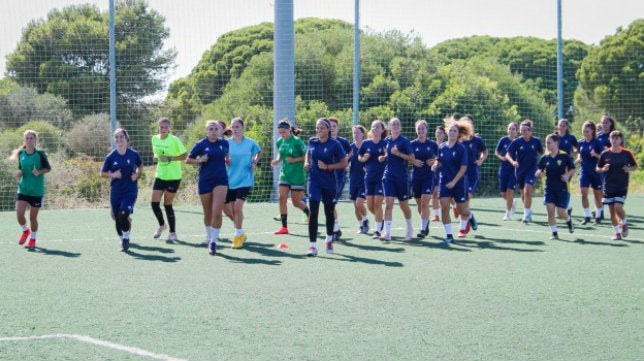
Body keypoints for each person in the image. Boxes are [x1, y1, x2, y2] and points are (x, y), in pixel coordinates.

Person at [303, 118, 347, 256]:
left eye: (322, 128)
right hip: (314, 181)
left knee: (329, 213)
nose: (319, 130)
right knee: (313, 213)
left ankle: (328, 240)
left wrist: (328, 167)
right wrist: (306, 163)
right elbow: (308, 153)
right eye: (317, 128)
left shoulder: (335, 144)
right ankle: (312, 246)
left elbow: (344, 163)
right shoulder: (312, 141)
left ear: (328, 130)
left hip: (329, 183)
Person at [186, 120, 230, 255]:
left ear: (219, 131)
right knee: (208, 212)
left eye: (216, 128)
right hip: (205, 181)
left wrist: (228, 160)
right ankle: (209, 235)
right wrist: (199, 160)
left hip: (221, 180)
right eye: (210, 129)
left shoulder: (224, 143)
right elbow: (188, 159)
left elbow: (227, 156)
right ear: (206, 131)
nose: (213, 131)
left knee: (217, 212)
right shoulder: (200, 144)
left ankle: (213, 242)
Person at [432, 117, 477, 243]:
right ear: (447, 132)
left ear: (458, 134)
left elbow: (463, 168)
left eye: (454, 131)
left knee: (462, 210)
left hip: (458, 183)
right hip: (444, 182)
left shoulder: (461, 148)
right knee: (444, 207)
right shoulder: (441, 147)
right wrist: (435, 164)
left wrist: (454, 182)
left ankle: (470, 216)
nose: (452, 133)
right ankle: (449, 236)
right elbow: (439, 160)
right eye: (450, 130)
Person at [100, 128, 143, 252]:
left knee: (123, 214)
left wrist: (137, 175)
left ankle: (126, 238)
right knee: (116, 217)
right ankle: (122, 238)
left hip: (130, 190)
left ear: (126, 139)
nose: (119, 140)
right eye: (116, 137)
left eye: (121, 137)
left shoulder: (134, 154)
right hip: (116, 191)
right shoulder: (111, 156)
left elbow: (140, 166)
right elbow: (102, 173)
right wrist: (113, 175)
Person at [224, 117, 262, 249]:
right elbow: (223, 156)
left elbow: (259, 152)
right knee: (232, 210)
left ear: (243, 128)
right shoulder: (226, 143)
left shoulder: (250, 143)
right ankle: (241, 232)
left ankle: (237, 236)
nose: (235, 129)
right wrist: (226, 160)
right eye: (233, 127)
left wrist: (254, 162)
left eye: (237, 127)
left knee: (237, 208)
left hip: (245, 179)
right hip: (230, 180)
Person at [11, 130, 51, 250]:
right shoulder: (21, 154)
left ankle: (33, 239)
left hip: (36, 191)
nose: (29, 140)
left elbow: (48, 168)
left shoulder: (40, 154)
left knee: (33, 218)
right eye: (27, 138)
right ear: (24, 140)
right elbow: (20, 168)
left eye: (31, 138)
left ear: (35, 140)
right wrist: (19, 173)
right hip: (23, 189)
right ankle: (25, 230)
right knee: (19, 213)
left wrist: (38, 172)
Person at [150, 118, 188, 242]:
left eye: (166, 127)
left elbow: (185, 155)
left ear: (169, 128)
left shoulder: (175, 140)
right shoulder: (154, 139)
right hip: (160, 175)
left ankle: (172, 233)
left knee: (167, 205)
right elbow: (156, 153)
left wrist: (170, 158)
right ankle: (162, 225)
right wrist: (155, 156)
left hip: (173, 177)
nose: (164, 129)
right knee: (154, 203)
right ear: (158, 127)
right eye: (161, 127)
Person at [596, 130, 638, 240]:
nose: (614, 140)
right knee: (612, 211)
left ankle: (624, 223)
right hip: (608, 186)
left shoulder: (627, 153)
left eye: (616, 138)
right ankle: (617, 233)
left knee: (618, 207)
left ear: (621, 140)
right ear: (610, 139)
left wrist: (629, 168)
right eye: (612, 138)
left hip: (621, 186)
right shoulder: (605, 154)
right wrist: (603, 169)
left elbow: (634, 166)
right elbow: (598, 168)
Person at [270, 119, 310, 235]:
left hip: (297, 175)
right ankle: (284, 227)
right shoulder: (279, 141)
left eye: (284, 132)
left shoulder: (297, 141)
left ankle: (308, 213)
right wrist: (277, 160)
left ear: (289, 130)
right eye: (280, 132)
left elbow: (307, 156)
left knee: (296, 202)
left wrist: (294, 159)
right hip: (285, 174)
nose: (282, 134)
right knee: (281, 197)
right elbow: (281, 153)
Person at [380, 117, 415, 242]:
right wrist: (384, 157)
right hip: (388, 176)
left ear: (400, 127)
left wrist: (398, 153)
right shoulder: (386, 141)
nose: (395, 126)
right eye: (393, 124)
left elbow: (412, 158)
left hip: (402, 178)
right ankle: (387, 233)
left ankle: (410, 229)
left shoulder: (404, 141)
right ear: (389, 127)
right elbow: (387, 154)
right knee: (388, 203)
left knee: (403, 205)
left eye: (397, 124)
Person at [535, 133, 576, 240]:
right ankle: (554, 233)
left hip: (562, 188)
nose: (547, 145)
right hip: (549, 188)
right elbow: (540, 169)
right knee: (550, 211)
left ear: (556, 143)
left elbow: (573, 168)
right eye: (546, 143)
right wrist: (538, 173)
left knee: (561, 213)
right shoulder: (544, 158)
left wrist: (567, 175)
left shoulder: (564, 156)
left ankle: (568, 220)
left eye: (549, 143)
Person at [505, 119, 544, 223]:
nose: (523, 132)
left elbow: (543, 153)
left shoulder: (536, 141)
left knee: (527, 192)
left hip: (532, 170)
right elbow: (507, 154)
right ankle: (528, 210)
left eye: (525, 130)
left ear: (530, 130)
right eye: (521, 130)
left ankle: (526, 215)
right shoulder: (516, 142)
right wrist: (513, 161)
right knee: (523, 194)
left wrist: (542, 167)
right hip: (519, 171)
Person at [358, 120, 387, 239]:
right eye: (372, 127)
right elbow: (359, 157)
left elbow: (390, 156)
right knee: (370, 205)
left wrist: (384, 157)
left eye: (377, 127)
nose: (374, 129)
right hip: (369, 178)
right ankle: (381, 220)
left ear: (382, 130)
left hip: (381, 178)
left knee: (377, 203)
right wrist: (363, 159)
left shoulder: (385, 143)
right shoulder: (366, 143)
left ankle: (378, 230)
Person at [410, 120, 438, 238]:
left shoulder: (432, 144)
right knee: (419, 204)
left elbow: (439, 158)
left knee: (425, 203)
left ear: (426, 130)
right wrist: (413, 161)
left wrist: (435, 162)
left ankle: (422, 229)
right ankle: (426, 223)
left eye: (423, 128)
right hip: (416, 177)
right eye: (419, 128)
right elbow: (406, 157)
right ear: (416, 130)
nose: (421, 131)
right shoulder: (411, 144)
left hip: (429, 177)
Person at [459, 114, 488, 218]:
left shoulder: (477, 140)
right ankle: (468, 216)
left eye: (469, 123)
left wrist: (480, 160)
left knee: (467, 197)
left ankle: (463, 226)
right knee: (458, 200)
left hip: (472, 173)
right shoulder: (458, 140)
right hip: (459, 174)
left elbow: (485, 152)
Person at [575, 120, 604, 225]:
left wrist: (595, 154)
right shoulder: (580, 142)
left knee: (597, 195)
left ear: (592, 131)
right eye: (583, 131)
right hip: (584, 172)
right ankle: (587, 216)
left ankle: (598, 216)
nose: (585, 133)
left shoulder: (597, 142)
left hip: (596, 172)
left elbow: (603, 158)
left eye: (587, 131)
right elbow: (579, 154)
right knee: (583, 194)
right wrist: (578, 158)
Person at [328, 117, 352, 241]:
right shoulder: (323, 141)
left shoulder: (342, 141)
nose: (332, 128)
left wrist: (346, 160)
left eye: (334, 126)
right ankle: (336, 229)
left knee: (331, 203)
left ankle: (335, 230)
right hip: (326, 178)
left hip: (339, 177)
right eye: (330, 126)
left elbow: (351, 151)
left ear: (338, 129)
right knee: (328, 203)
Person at [495, 122, 519, 221]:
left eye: (513, 129)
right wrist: (501, 157)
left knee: (510, 192)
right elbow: (497, 152)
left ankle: (507, 214)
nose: (511, 130)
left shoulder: (519, 141)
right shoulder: (503, 140)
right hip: (503, 169)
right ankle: (512, 203)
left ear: (517, 131)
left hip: (514, 170)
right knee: (503, 194)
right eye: (509, 128)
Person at [348, 124, 369, 234]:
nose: (355, 135)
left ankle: (365, 220)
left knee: (359, 203)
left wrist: (368, 168)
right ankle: (361, 226)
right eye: (354, 133)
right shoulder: (350, 147)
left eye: (358, 133)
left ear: (363, 134)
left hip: (364, 180)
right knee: (355, 205)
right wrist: (346, 166)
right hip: (353, 179)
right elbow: (345, 161)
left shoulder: (367, 146)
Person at [556, 118, 578, 216]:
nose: (561, 127)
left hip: (568, 166)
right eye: (560, 125)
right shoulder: (554, 137)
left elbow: (580, 148)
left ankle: (564, 207)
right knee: (556, 186)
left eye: (563, 125)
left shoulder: (571, 138)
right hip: (556, 165)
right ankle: (566, 207)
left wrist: (573, 153)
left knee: (565, 186)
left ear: (567, 127)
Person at [431, 125, 445, 222]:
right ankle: (436, 215)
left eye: (440, 133)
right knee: (434, 193)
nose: (438, 134)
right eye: (437, 132)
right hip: (434, 172)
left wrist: (439, 162)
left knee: (447, 195)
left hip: (445, 172)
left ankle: (455, 206)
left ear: (444, 135)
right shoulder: (432, 145)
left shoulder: (446, 146)